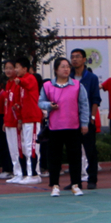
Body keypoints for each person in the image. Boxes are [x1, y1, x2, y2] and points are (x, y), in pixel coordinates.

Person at [41, 57, 88, 198]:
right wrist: (49, 105)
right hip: (55, 127)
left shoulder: (77, 85)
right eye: (62, 66)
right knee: (54, 158)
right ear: (56, 70)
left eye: (68, 66)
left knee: (75, 157)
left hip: (73, 127)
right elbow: (40, 102)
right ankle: (54, 186)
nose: (66, 69)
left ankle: (76, 185)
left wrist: (84, 123)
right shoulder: (48, 86)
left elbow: (84, 105)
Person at [69, 48, 102, 190]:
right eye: (72, 57)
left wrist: (92, 118)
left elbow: (95, 99)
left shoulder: (92, 78)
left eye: (78, 57)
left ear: (84, 59)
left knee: (90, 151)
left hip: (87, 119)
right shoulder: (68, 78)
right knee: (73, 151)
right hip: (71, 120)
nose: (75, 59)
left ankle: (92, 179)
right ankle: (75, 181)